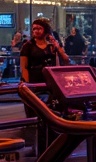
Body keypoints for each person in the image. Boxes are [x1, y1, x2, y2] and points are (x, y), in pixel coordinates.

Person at [20, 18, 70, 152]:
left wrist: (57, 46)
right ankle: (41, 148)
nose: (35, 31)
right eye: (34, 29)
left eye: (39, 28)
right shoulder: (28, 46)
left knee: (53, 113)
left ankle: (53, 146)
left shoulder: (51, 45)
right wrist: (27, 85)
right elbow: (24, 67)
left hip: (50, 82)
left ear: (45, 30)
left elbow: (66, 60)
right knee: (39, 114)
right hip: (35, 82)